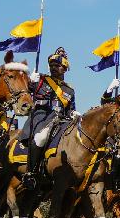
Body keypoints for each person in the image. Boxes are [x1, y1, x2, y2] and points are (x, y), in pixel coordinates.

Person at [20, 47, 78, 188]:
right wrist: (29, 83)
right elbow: (25, 94)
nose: (53, 68)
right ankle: (31, 173)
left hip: (61, 121)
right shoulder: (41, 80)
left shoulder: (69, 89)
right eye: (51, 65)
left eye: (57, 66)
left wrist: (74, 114)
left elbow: (70, 109)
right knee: (41, 138)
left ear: (65, 68)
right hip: (42, 116)